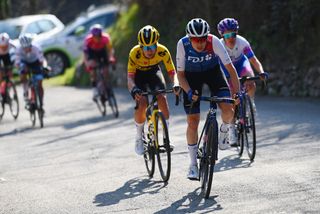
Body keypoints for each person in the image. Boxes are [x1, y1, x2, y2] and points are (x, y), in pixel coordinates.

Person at [176, 18, 240, 180]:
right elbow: (181, 75)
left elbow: (231, 70)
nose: (200, 43)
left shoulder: (215, 42)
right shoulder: (182, 45)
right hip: (191, 78)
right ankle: (192, 165)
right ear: (189, 38)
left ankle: (224, 130)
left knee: (228, 109)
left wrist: (237, 93)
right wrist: (189, 91)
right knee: (193, 121)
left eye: (203, 38)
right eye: (196, 40)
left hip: (213, 74)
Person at [127, 25, 180, 155]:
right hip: (138, 75)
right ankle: (139, 136)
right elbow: (130, 78)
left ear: (157, 44)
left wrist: (176, 84)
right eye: (146, 47)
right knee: (142, 103)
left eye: (152, 46)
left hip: (153, 72)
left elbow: (173, 73)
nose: (149, 50)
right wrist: (134, 89)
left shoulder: (163, 51)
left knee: (162, 97)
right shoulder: (135, 53)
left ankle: (166, 137)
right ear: (141, 47)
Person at [217, 18, 267, 108]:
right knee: (232, 94)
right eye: (227, 36)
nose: (231, 38)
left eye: (233, 34)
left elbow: (253, 60)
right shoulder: (219, 46)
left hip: (241, 64)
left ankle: (250, 104)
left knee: (250, 82)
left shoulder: (242, 42)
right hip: (227, 68)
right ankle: (233, 118)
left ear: (237, 33)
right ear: (222, 35)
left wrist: (261, 72)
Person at [83, 24, 116, 101]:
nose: (97, 38)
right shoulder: (88, 40)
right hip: (92, 52)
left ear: (101, 34)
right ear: (92, 35)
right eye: (95, 36)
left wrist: (111, 58)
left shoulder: (106, 38)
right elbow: (85, 54)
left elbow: (110, 50)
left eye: (99, 36)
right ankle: (94, 89)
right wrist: (87, 64)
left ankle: (107, 86)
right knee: (92, 68)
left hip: (102, 52)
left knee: (105, 70)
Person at [15, 34, 49, 109]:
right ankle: (25, 91)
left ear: (31, 44)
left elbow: (42, 60)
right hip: (24, 63)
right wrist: (21, 68)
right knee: (22, 73)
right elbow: (17, 63)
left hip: (35, 63)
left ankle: (41, 102)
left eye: (28, 47)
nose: (26, 49)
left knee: (39, 82)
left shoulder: (36, 47)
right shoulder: (18, 49)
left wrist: (45, 67)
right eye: (24, 48)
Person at [0, 33, 15, 97]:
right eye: (1, 47)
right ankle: (1, 87)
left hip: (7, 55)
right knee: (1, 72)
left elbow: (18, 51)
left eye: (5, 46)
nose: (3, 48)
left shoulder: (11, 43)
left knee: (9, 69)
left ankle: (10, 83)